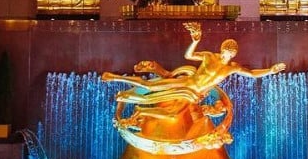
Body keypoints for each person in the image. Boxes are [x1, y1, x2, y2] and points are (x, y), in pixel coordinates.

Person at [102, 21, 285, 126]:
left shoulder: (232, 68)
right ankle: (114, 78)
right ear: (222, 50)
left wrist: (270, 70)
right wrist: (196, 40)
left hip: (195, 95)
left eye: (231, 53)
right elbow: (188, 55)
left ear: (233, 54)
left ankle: (139, 112)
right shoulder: (208, 56)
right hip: (188, 83)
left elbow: (252, 74)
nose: (227, 55)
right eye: (226, 51)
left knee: (173, 114)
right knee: (151, 86)